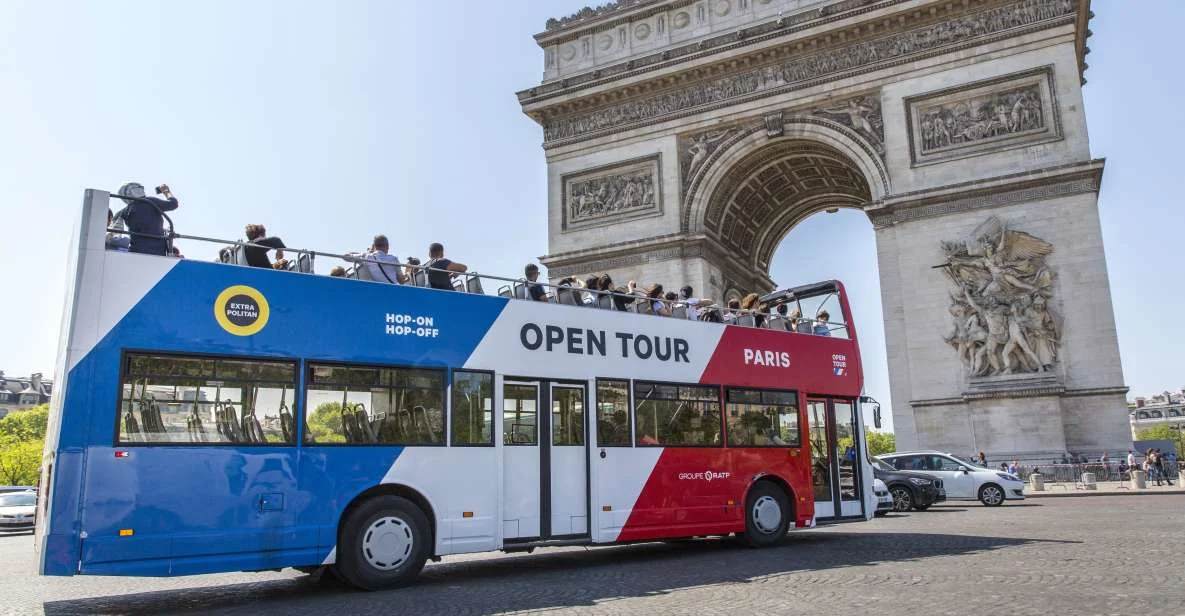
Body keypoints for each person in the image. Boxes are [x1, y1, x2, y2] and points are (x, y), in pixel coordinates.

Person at [113, 182, 178, 256]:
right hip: (157, 251)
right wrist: (166, 191)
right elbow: (173, 204)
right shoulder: (150, 201)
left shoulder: (124, 211)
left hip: (135, 251)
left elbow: (113, 227)